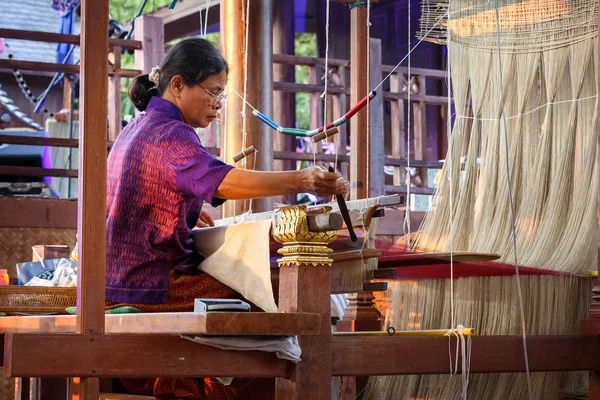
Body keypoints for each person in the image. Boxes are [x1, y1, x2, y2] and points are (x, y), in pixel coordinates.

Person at [105, 38, 348, 399]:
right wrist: (302, 179)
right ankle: (206, 388)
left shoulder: (137, 127)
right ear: (177, 86)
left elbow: (144, 191)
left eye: (222, 96)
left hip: (116, 281)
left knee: (263, 293)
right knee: (267, 295)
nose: (218, 106)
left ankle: (190, 384)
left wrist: (184, 207)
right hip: (152, 285)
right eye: (213, 92)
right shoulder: (172, 134)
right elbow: (224, 180)